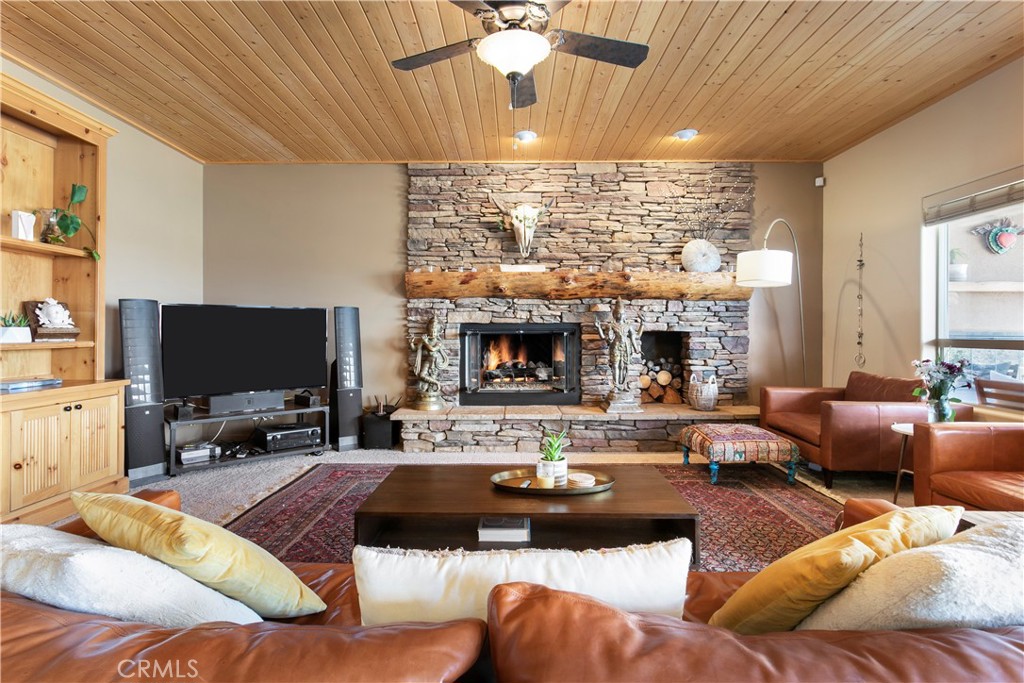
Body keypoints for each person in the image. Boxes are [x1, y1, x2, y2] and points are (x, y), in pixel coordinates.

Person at [595, 298, 643, 391]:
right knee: (615, 365)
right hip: (615, 346)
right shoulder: (611, 325)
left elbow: (635, 336)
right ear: (614, 314)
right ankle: (616, 385)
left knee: (624, 366)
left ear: (625, 315)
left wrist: (642, 324)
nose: (620, 315)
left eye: (622, 313)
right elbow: (604, 337)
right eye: (618, 313)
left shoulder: (628, 325)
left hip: (626, 347)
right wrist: (599, 328)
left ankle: (623, 384)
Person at [409, 314, 449, 396]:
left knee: (430, 387)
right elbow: (415, 349)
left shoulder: (438, 342)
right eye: (431, 331)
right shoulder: (425, 339)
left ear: (438, 332)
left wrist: (425, 342)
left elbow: (432, 349)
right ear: (428, 331)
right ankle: (437, 383)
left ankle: (433, 388)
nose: (432, 333)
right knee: (421, 375)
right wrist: (411, 343)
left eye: (434, 331)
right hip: (428, 360)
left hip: (435, 361)